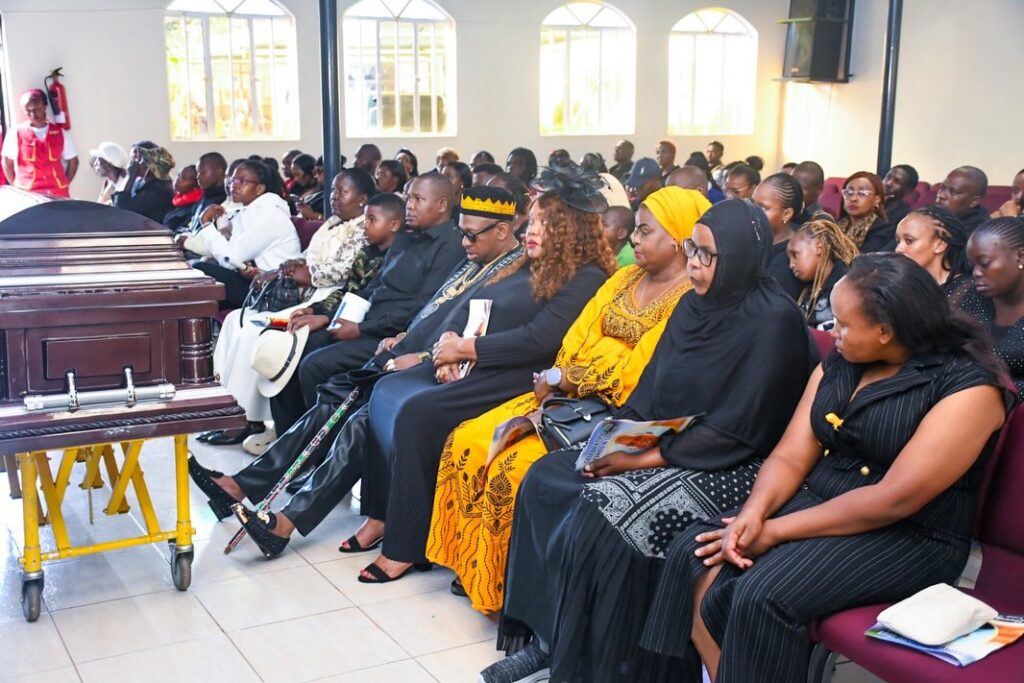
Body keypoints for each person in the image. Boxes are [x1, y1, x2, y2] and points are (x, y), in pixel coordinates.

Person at [481, 199, 815, 683]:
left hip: (733, 462)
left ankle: (598, 663)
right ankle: (547, 640)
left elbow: (739, 430)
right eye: (692, 250)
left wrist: (638, 461)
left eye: (707, 255)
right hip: (672, 441)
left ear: (741, 258)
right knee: (547, 478)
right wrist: (617, 440)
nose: (694, 265)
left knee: (604, 510)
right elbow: (651, 390)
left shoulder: (773, 322)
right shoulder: (693, 305)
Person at [644, 252, 1011, 683]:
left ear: (885, 331)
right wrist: (754, 514)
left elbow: (895, 498)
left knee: (761, 592)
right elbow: (790, 454)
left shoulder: (967, 386)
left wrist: (774, 531)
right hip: (820, 502)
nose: (830, 331)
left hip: (910, 533)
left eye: (843, 324)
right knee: (694, 553)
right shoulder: (844, 360)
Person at [428, 186, 708, 614]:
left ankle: (499, 584)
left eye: (645, 231)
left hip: (612, 411)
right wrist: (557, 377)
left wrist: (567, 378)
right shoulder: (623, 279)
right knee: (470, 438)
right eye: (635, 229)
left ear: (678, 238)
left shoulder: (687, 298)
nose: (633, 239)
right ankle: (472, 562)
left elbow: (635, 370)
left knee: (511, 466)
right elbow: (579, 335)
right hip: (565, 396)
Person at [188, 187, 528, 527]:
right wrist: (402, 336)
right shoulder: (477, 258)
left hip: (432, 369)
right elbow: (431, 310)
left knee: (356, 413)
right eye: (463, 233)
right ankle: (245, 486)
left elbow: (473, 338)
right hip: (402, 348)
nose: (465, 241)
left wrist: (421, 355)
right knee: (333, 395)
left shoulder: (511, 276)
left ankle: (283, 517)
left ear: (502, 230)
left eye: (471, 235)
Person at [349, 165, 615, 583]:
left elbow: (538, 339)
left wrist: (465, 350)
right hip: (474, 359)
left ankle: (406, 546)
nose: (530, 230)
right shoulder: (528, 263)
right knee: (386, 390)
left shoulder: (586, 277)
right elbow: (479, 305)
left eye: (544, 223)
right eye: (532, 220)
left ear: (570, 230)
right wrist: (450, 344)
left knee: (418, 414)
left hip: (515, 374)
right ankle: (381, 515)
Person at [273, 172, 466, 431]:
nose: (409, 206)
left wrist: (360, 329)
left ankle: (315, 441)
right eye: (408, 198)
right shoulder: (407, 239)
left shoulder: (450, 247)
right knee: (292, 346)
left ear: (442, 205)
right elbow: (371, 288)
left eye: (418, 200)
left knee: (313, 365)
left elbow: (424, 307)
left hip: (391, 335)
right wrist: (326, 315)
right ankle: (289, 435)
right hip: (365, 321)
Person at [203, 168, 380, 447]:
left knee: (258, 330)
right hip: (305, 293)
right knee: (236, 319)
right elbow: (305, 257)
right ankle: (225, 408)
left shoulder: (364, 227)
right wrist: (287, 267)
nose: (333, 197)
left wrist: (307, 274)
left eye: (342, 191)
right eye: (333, 190)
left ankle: (250, 419)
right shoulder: (333, 222)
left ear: (362, 199)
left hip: (326, 297)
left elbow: (343, 272)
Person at [189, 160, 301, 309]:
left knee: (199, 269)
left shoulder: (270, 215)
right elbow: (233, 257)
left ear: (259, 189)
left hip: (274, 289)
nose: (233, 185)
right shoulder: (248, 211)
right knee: (197, 272)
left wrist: (206, 224)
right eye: (233, 180)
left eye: (242, 181)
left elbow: (231, 258)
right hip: (254, 280)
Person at [960, 217, 1024, 393]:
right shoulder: (972, 298)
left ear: (1020, 257)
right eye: (972, 266)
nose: (976, 273)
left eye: (984, 263)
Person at [1, 89, 78, 197]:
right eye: (28, 110)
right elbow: (6, 163)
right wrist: (16, 188)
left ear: (45, 106)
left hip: (57, 192)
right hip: (28, 194)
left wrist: (64, 183)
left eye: (37, 109)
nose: (33, 114)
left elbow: (74, 162)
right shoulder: (16, 133)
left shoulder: (61, 133)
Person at [789, 216, 859, 329]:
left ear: (819, 248)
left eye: (795, 254)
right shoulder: (807, 290)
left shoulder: (847, 285)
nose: (791, 264)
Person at [894, 205, 972, 304]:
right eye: (898, 241)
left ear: (940, 245)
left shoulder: (968, 291)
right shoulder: (900, 287)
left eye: (909, 241)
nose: (898, 249)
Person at [753, 172, 805, 300]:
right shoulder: (758, 237)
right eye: (752, 204)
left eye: (763, 208)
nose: (753, 212)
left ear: (787, 214)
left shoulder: (786, 263)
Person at [111, 142, 175, 222]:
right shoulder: (140, 183)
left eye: (134, 159)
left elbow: (121, 212)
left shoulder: (158, 189)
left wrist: (130, 177)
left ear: (148, 161)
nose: (131, 164)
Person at [838, 171, 891, 252]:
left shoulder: (883, 230)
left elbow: (861, 259)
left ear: (876, 200)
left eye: (862, 193)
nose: (853, 199)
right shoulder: (836, 225)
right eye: (849, 192)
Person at [182, 152, 229, 234]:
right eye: (197, 173)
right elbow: (190, 225)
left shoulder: (224, 201)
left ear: (219, 172)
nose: (198, 177)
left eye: (203, 173)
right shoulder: (204, 197)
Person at [937, 165, 990, 233]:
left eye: (953, 192)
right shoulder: (937, 215)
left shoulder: (978, 233)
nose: (941, 195)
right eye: (942, 188)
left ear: (974, 201)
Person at [162, 164, 202, 231]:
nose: (177, 179)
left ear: (195, 186)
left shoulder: (195, 207)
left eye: (183, 178)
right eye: (178, 175)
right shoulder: (176, 199)